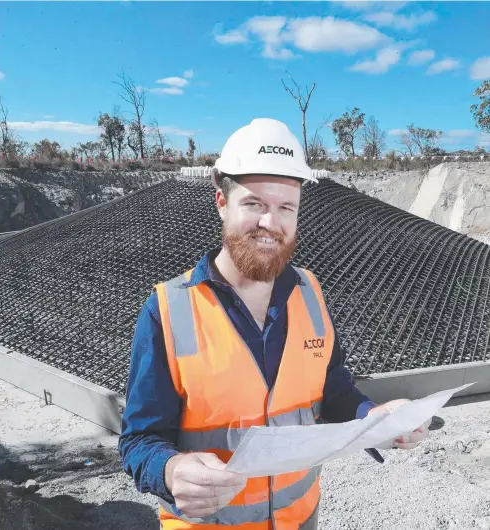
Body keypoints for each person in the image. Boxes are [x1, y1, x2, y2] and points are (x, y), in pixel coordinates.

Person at [119, 118, 430, 530]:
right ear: (221, 202)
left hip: (300, 520)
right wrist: (171, 470)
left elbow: (334, 391)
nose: (271, 222)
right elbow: (138, 441)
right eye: (254, 204)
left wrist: (377, 417)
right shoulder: (168, 309)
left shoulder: (311, 293)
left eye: (286, 207)